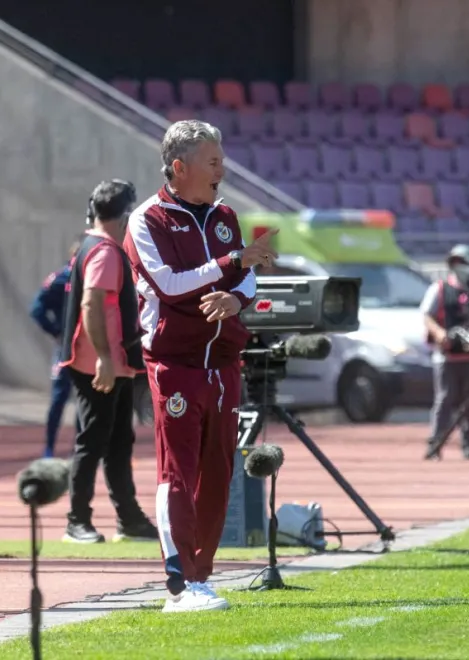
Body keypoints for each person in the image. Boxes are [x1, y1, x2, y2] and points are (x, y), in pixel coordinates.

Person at [123, 120, 278, 612]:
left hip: (224, 362)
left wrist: (237, 300)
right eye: (214, 162)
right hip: (175, 364)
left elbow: (247, 278)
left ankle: (202, 577)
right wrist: (234, 262)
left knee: (219, 470)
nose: (222, 169)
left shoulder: (224, 214)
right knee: (178, 471)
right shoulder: (147, 219)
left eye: (221, 159)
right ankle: (179, 583)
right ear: (179, 167)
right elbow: (169, 284)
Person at [58, 180, 158, 545]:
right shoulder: (104, 252)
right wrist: (103, 357)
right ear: (126, 213)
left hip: (110, 363)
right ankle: (76, 521)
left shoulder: (94, 245)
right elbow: (92, 304)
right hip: (100, 365)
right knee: (93, 441)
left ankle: (128, 518)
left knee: (117, 442)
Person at [422, 244, 469, 461]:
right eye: (456, 262)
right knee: (445, 399)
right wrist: (440, 333)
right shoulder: (439, 289)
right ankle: (435, 443)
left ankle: (468, 445)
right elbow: (427, 315)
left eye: (463, 262)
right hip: (447, 355)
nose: (459, 267)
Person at [30, 242, 80, 458]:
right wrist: (57, 331)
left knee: (84, 399)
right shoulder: (61, 278)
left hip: (87, 345)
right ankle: (50, 448)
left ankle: (79, 448)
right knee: (63, 397)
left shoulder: (95, 277)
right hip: (67, 348)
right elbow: (37, 309)